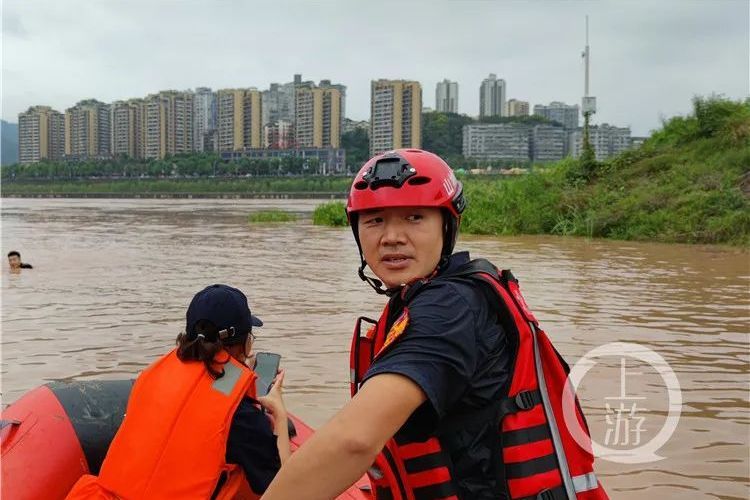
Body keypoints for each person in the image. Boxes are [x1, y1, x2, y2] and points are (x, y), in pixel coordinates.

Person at [262, 149, 607, 499]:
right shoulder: (430, 300)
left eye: (414, 217)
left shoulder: (447, 310)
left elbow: (355, 440)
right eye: (375, 220)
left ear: (446, 226)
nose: (392, 237)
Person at [66, 284, 290, 500]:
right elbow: (285, 488)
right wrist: (279, 414)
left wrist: (236, 371)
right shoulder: (241, 416)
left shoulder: (153, 376)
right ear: (244, 343)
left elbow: (202, 389)